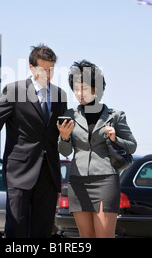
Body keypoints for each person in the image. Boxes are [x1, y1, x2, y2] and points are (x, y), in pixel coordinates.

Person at [0, 44, 67, 238]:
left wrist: (66, 136)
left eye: (51, 69)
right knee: (16, 228)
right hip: (19, 172)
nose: (48, 74)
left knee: (43, 230)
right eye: (43, 69)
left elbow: (59, 134)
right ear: (31, 67)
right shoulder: (13, 91)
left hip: (49, 173)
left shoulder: (61, 96)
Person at [57, 60, 137, 238]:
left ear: (96, 88)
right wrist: (64, 137)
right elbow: (65, 152)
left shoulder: (115, 116)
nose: (79, 94)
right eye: (76, 89)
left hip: (106, 180)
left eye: (84, 88)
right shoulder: (69, 115)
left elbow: (132, 146)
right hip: (78, 181)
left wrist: (115, 138)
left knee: (104, 236)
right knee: (86, 237)